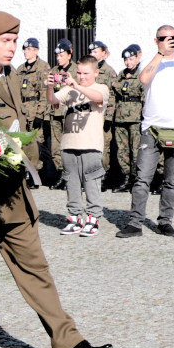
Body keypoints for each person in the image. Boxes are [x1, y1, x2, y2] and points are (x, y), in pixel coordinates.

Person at [0, 11, 112, 348]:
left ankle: (67, 339)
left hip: (14, 194)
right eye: (5, 41)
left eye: (15, 41)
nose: (11, 47)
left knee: (36, 268)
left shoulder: (13, 76)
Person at [116, 25, 174, 238]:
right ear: (156, 40)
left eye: (173, 38)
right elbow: (143, 79)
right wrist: (160, 53)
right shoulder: (152, 63)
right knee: (142, 179)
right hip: (152, 130)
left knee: (171, 181)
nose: (169, 41)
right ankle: (135, 223)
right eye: (164, 38)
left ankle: (165, 222)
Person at [46, 55, 109, 237]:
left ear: (96, 72)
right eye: (79, 73)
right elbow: (53, 101)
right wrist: (50, 87)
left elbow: (97, 98)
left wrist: (77, 86)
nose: (81, 76)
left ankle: (93, 218)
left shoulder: (101, 87)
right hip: (69, 144)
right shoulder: (69, 89)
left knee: (91, 182)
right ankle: (74, 218)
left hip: (91, 145)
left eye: (85, 73)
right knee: (71, 183)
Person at [14, 37, 50, 183]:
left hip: (35, 110)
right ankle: (26, 172)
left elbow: (44, 93)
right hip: (23, 111)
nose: (26, 52)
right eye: (25, 49)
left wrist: (40, 114)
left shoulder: (42, 67)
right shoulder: (21, 69)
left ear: (36, 51)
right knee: (23, 142)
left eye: (29, 49)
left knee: (36, 142)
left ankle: (36, 173)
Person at [110, 45, 144, 193]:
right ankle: (126, 178)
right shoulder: (121, 74)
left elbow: (145, 97)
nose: (128, 63)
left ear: (138, 57)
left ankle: (137, 178)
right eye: (126, 60)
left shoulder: (142, 75)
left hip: (136, 117)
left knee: (135, 149)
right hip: (120, 116)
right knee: (122, 150)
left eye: (131, 59)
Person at [47, 38, 76, 190]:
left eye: (61, 55)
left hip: (69, 113)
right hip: (55, 113)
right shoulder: (53, 71)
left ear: (69, 55)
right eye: (57, 56)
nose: (58, 58)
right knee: (56, 147)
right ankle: (60, 174)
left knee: (70, 146)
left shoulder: (76, 71)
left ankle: (70, 176)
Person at [88, 41, 118, 181]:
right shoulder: (89, 70)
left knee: (103, 147)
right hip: (90, 114)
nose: (92, 54)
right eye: (91, 52)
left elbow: (112, 97)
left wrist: (109, 117)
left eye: (95, 52)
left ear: (104, 53)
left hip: (103, 114)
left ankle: (103, 176)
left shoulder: (109, 72)